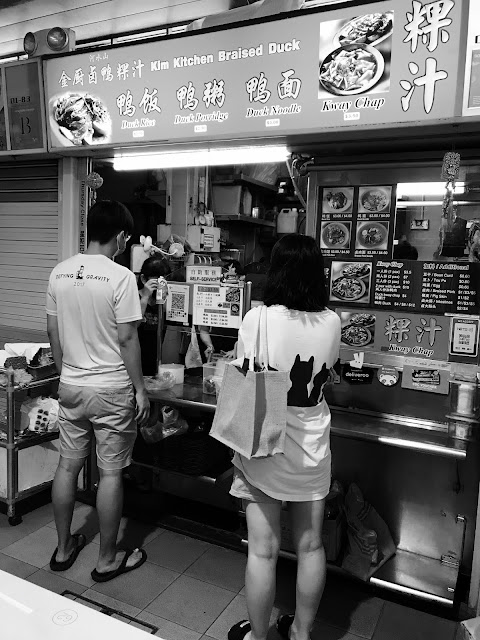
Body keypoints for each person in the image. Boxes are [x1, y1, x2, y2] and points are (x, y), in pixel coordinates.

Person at [228, 234, 341, 640]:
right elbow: (331, 371)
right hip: (312, 445)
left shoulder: (258, 319)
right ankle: (301, 634)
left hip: (263, 442)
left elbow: (242, 372)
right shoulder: (332, 321)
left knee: (262, 549)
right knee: (311, 546)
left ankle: (258, 638)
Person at [46, 200, 150, 583]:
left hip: (71, 384)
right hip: (110, 390)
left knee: (67, 465)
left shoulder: (59, 273)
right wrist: (140, 389)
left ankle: (62, 549)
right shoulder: (120, 277)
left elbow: (53, 333)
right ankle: (106, 560)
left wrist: (65, 374)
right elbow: (126, 339)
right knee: (109, 474)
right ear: (122, 236)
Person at [138, 254, 172, 376]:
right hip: (135, 360)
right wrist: (146, 297)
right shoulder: (133, 297)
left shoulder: (162, 301)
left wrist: (165, 297)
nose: (159, 286)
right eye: (155, 282)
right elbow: (134, 324)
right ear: (143, 279)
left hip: (155, 361)